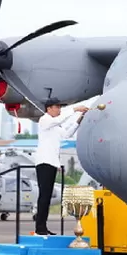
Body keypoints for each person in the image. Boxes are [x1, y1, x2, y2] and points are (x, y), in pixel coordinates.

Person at [33, 98, 88, 236]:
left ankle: (42, 227)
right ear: (49, 109)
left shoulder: (55, 127)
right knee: (44, 196)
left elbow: (67, 134)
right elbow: (60, 120)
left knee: (47, 196)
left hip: (51, 163)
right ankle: (40, 228)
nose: (59, 110)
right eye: (57, 107)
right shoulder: (44, 120)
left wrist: (79, 119)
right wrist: (75, 109)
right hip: (44, 162)